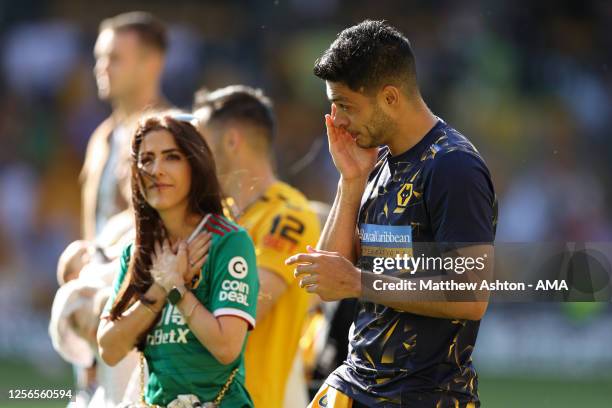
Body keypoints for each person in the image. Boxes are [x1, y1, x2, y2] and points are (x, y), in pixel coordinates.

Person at [286, 20, 497, 407]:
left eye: (347, 106)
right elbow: (328, 277)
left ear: (390, 97)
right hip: (355, 385)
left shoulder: (452, 167)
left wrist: (359, 282)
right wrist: (350, 182)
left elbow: (470, 294)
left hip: (424, 396)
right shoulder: (376, 163)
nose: (339, 121)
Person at [97, 115, 259, 408]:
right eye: (146, 159)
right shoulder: (137, 250)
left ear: (195, 166)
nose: (156, 170)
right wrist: (159, 290)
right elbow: (109, 349)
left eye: (171, 157)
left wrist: (177, 290)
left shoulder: (228, 241)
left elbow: (226, 347)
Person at [193, 85, 321, 408]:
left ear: (231, 141)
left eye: (200, 141)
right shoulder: (212, 218)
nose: (193, 155)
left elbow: (249, 306)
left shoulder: (289, 215)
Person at [82, 11, 170, 240]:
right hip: (102, 273)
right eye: (99, 57)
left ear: (152, 63)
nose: (101, 67)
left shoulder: (173, 135)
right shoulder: (101, 137)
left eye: (115, 58)